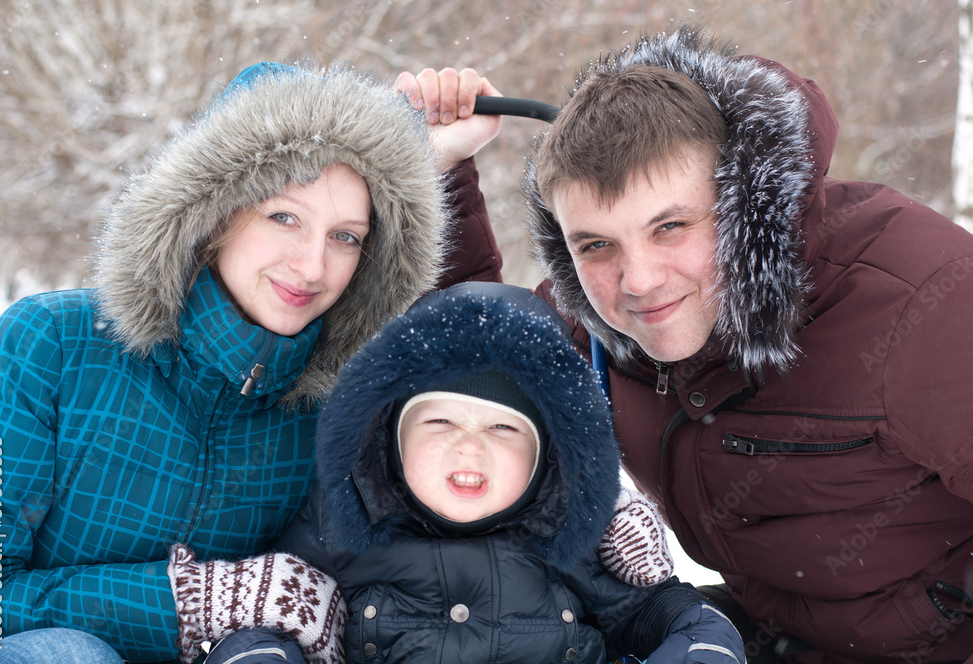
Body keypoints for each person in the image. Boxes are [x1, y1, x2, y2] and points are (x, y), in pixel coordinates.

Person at [394, 26, 973, 664]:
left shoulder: (922, 303)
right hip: (756, 631)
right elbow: (472, 360)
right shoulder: (601, 320)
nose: (638, 281)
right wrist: (443, 169)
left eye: (669, 227)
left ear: (741, 206)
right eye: (597, 244)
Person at [0, 60, 500, 663]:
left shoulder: (333, 404)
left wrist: (443, 163)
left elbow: (478, 372)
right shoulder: (51, 347)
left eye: (346, 236)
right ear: (215, 214)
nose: (312, 267)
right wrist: (199, 602)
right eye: (284, 218)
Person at [182, 280, 744, 664]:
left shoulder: (574, 535)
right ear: (392, 433)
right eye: (441, 421)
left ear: (549, 454)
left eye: (503, 430)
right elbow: (269, 622)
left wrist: (703, 647)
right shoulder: (341, 520)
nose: (468, 450)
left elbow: (674, 615)